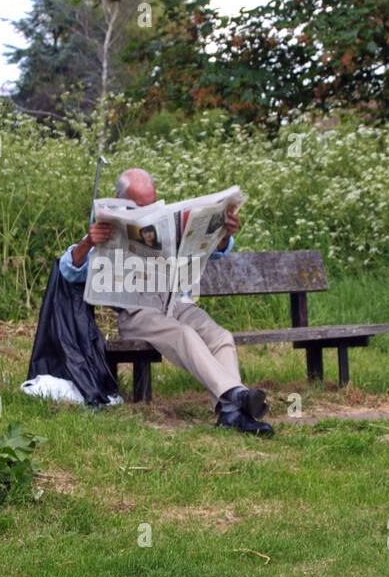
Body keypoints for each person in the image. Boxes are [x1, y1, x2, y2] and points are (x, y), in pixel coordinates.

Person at [59, 168, 273, 436]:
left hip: (175, 303)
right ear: (122, 200)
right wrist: (88, 242)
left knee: (221, 336)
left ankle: (231, 411)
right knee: (184, 335)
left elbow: (214, 255)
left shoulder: (166, 220)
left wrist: (223, 234)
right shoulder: (107, 227)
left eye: (152, 203)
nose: (149, 210)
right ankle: (236, 397)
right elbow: (68, 270)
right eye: (141, 206)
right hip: (138, 313)